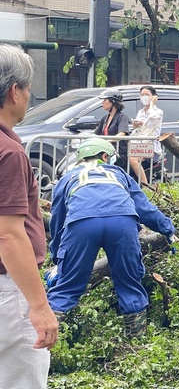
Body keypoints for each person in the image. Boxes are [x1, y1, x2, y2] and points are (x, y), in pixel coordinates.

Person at [47, 138, 176, 337]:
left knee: (67, 286)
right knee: (129, 282)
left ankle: (48, 345)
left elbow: (58, 221)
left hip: (82, 223)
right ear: (105, 156)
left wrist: (58, 256)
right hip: (122, 222)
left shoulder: (67, 178)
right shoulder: (118, 173)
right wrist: (167, 229)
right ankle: (137, 342)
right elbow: (144, 208)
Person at [0, 44, 58, 389]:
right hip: (9, 290)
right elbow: (7, 235)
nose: (29, 95)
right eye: (28, 88)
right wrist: (39, 306)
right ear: (14, 91)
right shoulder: (8, 152)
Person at [130, 85, 164, 186]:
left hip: (151, 146)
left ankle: (145, 186)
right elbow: (138, 129)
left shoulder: (158, 111)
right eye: (142, 95)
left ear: (153, 96)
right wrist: (135, 125)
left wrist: (153, 104)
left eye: (147, 94)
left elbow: (153, 117)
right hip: (139, 144)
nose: (144, 97)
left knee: (133, 159)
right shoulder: (141, 112)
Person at [95, 88, 129, 170]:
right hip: (106, 152)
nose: (102, 102)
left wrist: (108, 140)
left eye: (105, 100)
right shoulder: (105, 118)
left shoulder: (122, 117)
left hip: (119, 154)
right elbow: (96, 134)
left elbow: (122, 133)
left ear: (113, 101)